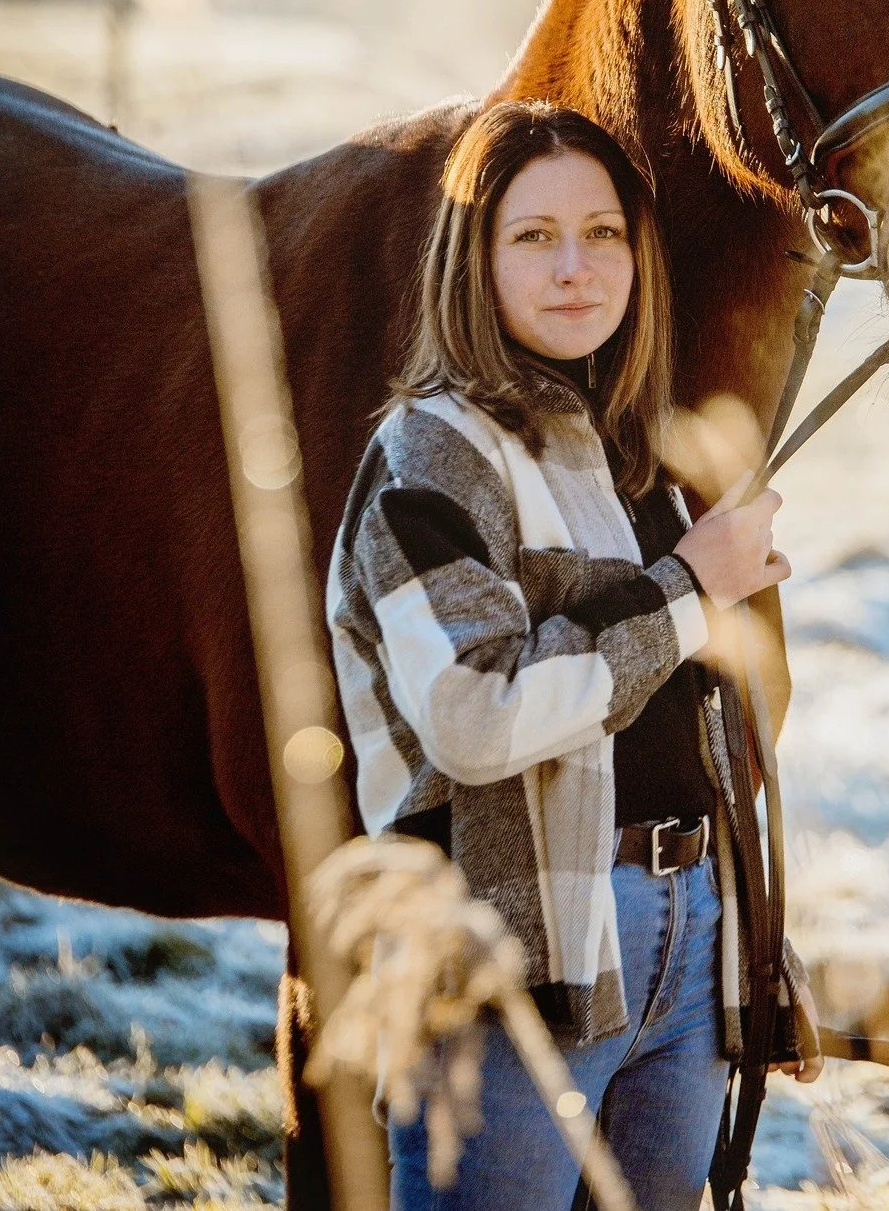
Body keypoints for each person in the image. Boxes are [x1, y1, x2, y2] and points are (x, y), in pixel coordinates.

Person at [326, 101, 820, 1211]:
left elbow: (697, 728)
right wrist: (689, 589)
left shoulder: (639, 449)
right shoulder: (431, 455)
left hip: (685, 943)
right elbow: (476, 708)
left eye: (603, 233)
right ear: (475, 258)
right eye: (533, 236)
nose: (575, 268)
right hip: (508, 953)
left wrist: (752, 937)